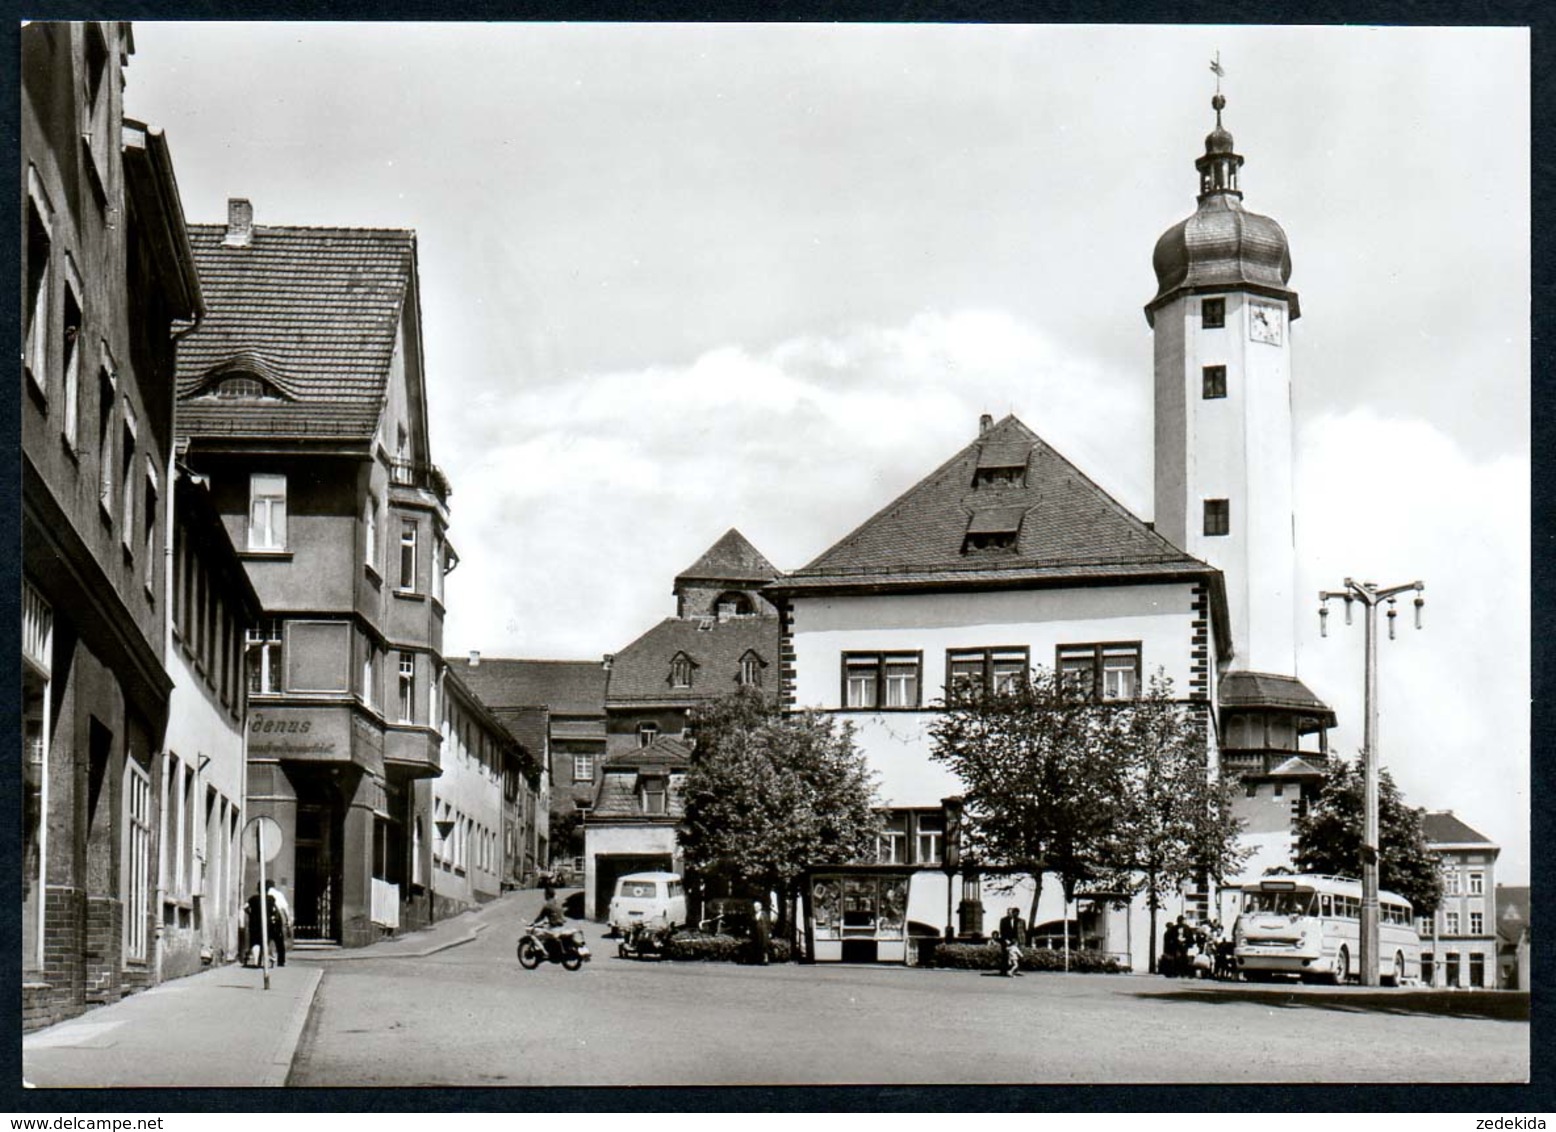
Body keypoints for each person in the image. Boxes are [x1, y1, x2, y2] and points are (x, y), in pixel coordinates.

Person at [246, 886, 286, 967]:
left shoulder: (253, 899)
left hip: (255, 924)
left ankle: (256, 961)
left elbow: (245, 907)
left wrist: (250, 914)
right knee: (267, 942)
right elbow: (275, 909)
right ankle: (270, 960)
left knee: (255, 942)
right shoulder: (271, 899)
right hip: (267, 924)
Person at [997, 906, 1027, 977]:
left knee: (1016, 956)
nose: (1009, 914)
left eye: (1011, 912)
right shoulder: (1003, 920)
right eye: (1008, 912)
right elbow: (1002, 931)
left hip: (1015, 941)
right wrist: (1005, 939)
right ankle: (1004, 971)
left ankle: (1015, 971)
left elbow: (1022, 931)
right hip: (1006, 941)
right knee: (1006, 956)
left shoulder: (1018, 920)